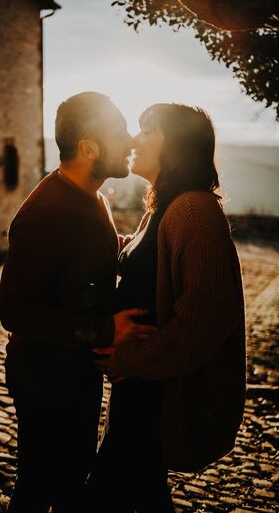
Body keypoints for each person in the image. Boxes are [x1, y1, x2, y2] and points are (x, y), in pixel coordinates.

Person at [0, 91, 155, 512]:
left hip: (76, 375)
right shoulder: (44, 213)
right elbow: (14, 311)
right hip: (45, 382)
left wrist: (137, 249)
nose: (131, 142)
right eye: (119, 133)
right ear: (88, 147)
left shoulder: (93, 197)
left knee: (69, 481)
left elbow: (90, 253)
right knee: (38, 487)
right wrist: (104, 330)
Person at [87, 103, 247, 512]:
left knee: (108, 492)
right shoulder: (163, 206)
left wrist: (133, 357)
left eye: (147, 131)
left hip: (157, 392)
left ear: (175, 146)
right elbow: (146, 262)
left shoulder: (193, 211)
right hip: (141, 388)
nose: (136, 140)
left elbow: (208, 316)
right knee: (140, 492)